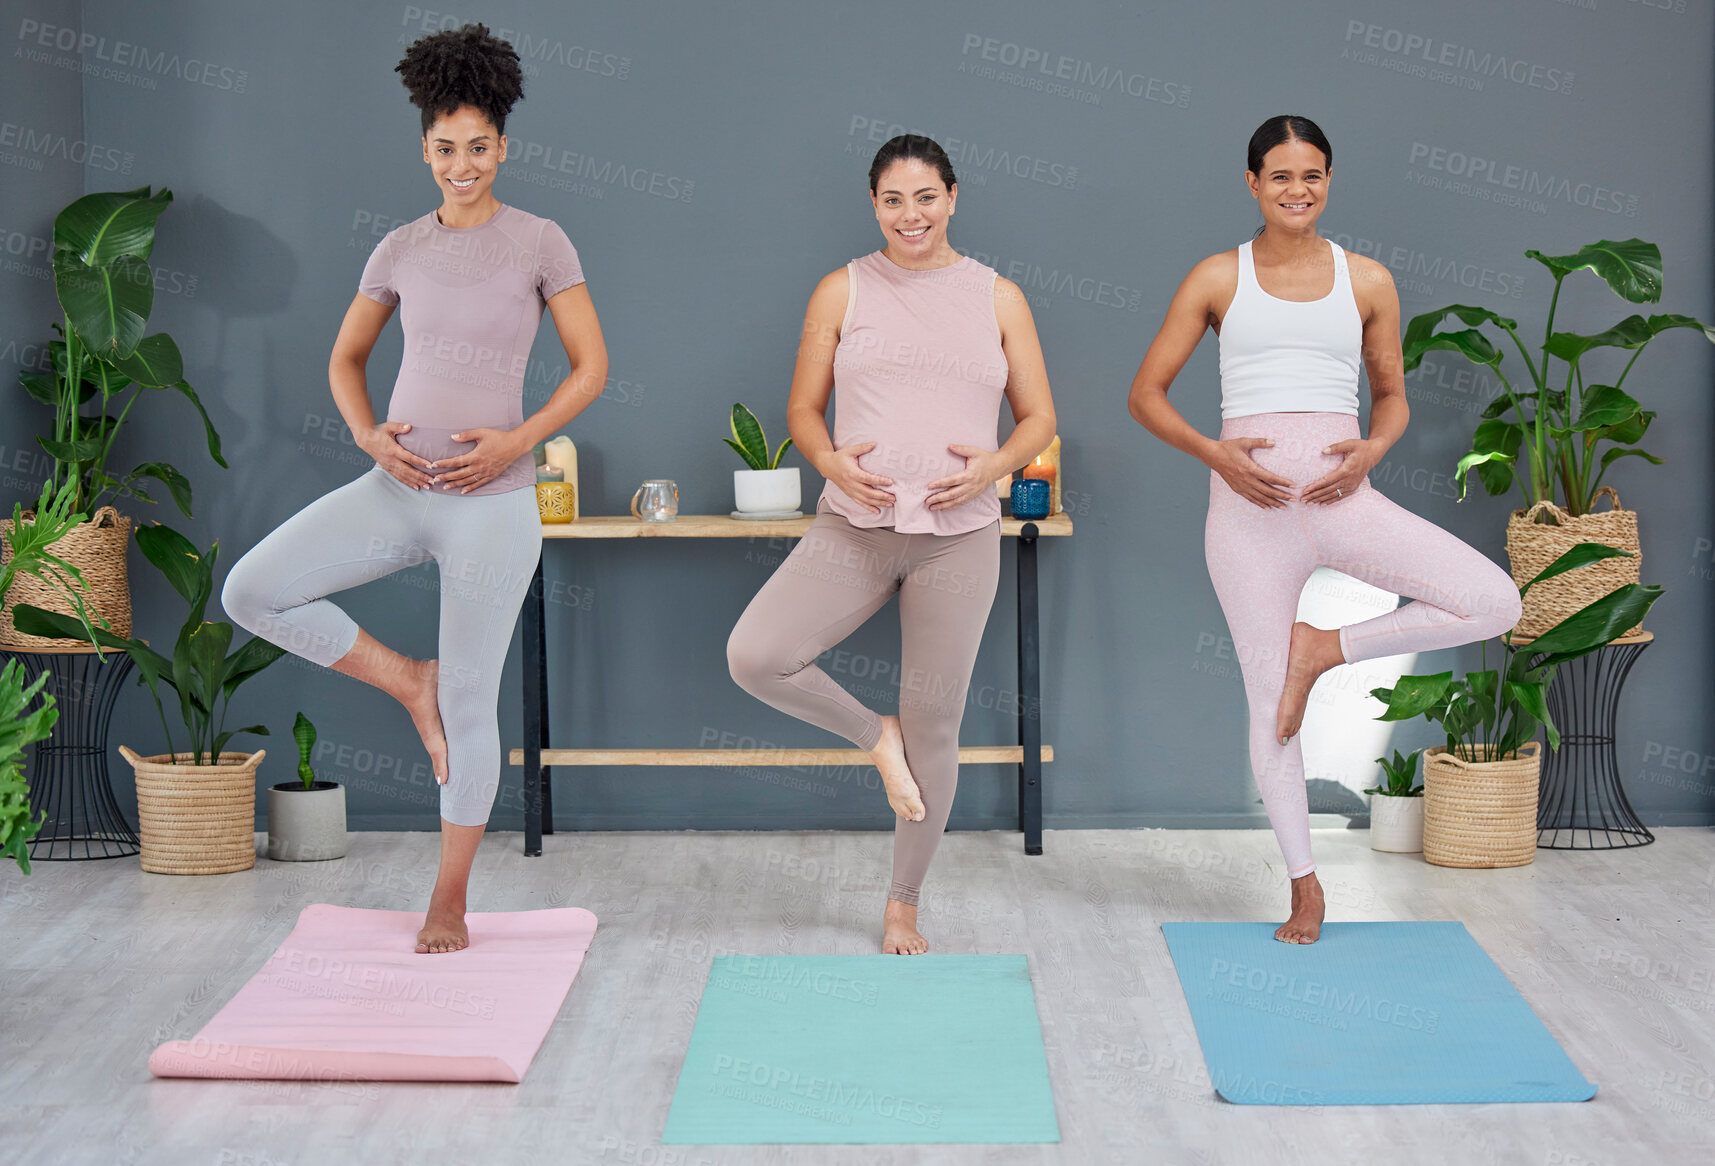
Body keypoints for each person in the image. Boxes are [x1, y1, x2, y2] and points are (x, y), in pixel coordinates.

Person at [223, 23, 608, 954]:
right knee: (251, 591)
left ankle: (449, 899)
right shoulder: (397, 246)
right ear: (423, 147)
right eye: (445, 148)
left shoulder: (540, 240)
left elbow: (590, 367)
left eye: (478, 147)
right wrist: (368, 437)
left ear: (503, 146)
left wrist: (515, 439)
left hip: (495, 505)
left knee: (474, 702)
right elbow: (346, 358)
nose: (462, 165)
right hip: (397, 490)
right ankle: (406, 679)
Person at [1126, 114, 1521, 944]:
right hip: (1248, 515)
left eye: (1311, 176)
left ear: (1329, 181)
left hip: (1344, 501)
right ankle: (1304, 885)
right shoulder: (1215, 277)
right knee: (1267, 704)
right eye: (1279, 177)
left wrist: (1371, 450)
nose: (1296, 190)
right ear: (1251, 183)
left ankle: (1324, 649)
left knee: (1492, 600)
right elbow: (1146, 395)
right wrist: (1216, 454)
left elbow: (1390, 397)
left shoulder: (1367, 280)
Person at [727, 135, 1057, 955]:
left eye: (924, 197)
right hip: (855, 526)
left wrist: (992, 467)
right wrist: (830, 460)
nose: (909, 216)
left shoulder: (998, 297)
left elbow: (1040, 418)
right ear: (873, 205)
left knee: (936, 724)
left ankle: (902, 904)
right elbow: (804, 410)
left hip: (960, 539)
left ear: (952, 197)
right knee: (756, 654)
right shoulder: (841, 291)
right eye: (891, 201)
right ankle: (875, 737)